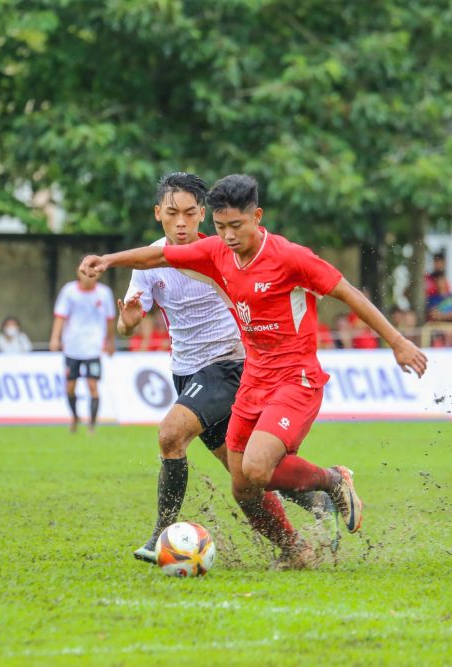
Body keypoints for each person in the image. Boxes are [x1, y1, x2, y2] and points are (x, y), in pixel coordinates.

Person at [81, 174, 428, 568]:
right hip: (250, 381)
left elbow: (347, 291)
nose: (227, 236)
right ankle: (296, 549)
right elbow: (158, 256)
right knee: (243, 483)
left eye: (236, 226)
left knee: (251, 464)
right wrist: (108, 260)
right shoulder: (216, 252)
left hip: (292, 377)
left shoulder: (291, 257)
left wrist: (398, 341)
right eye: (220, 226)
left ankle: (334, 480)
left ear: (257, 217)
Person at [116, 172, 336, 565]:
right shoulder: (150, 260)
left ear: (203, 214)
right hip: (186, 372)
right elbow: (127, 322)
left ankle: (158, 537)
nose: (181, 223)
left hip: (229, 367)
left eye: (189, 213)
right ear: (158, 214)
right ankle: (301, 532)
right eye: (172, 214)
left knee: (171, 435)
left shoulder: (221, 251)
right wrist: (129, 321)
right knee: (247, 477)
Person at [50, 270, 116, 433]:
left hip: (93, 348)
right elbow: (60, 316)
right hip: (72, 347)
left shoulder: (104, 293)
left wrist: (111, 341)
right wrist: (55, 338)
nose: (89, 275)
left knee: (92, 385)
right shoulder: (69, 291)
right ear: (79, 273)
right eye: (85, 271)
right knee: (70, 387)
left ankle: (92, 425)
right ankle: (75, 416)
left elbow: (110, 319)